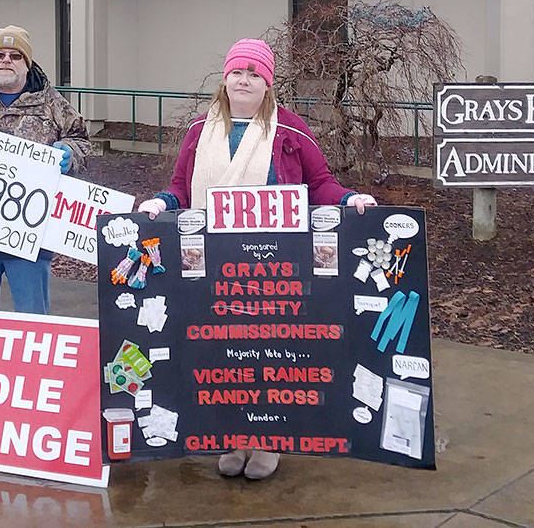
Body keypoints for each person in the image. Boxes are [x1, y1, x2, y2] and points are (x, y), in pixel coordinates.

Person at [136, 38, 377, 481]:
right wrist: (159, 204)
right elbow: (181, 189)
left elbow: (320, 182)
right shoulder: (198, 131)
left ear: (267, 84)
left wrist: (348, 198)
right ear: (225, 78)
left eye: (255, 74)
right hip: (216, 260)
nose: (244, 80)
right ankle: (233, 435)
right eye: (237, 72)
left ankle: (268, 439)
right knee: (223, 349)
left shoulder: (289, 129)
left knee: (268, 348)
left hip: (274, 262)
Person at [0, 25, 90, 314]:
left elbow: (83, 141)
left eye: (15, 55)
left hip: (30, 236)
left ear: (27, 63)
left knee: (33, 323)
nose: (6, 60)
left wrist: (70, 152)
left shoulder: (53, 103)